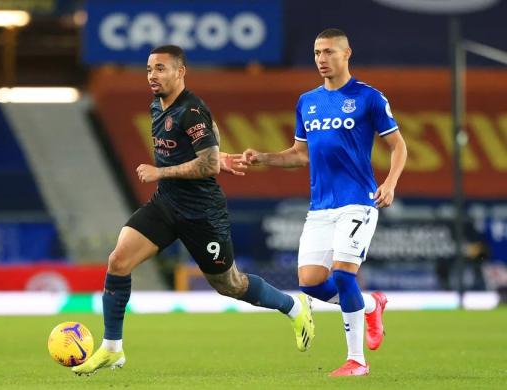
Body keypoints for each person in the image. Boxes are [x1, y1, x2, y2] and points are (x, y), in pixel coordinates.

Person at [72, 45, 315, 376]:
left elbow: (207, 166)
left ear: (180, 72)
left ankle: (291, 306)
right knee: (118, 261)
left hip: (202, 213)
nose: (152, 76)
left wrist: (168, 170)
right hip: (166, 204)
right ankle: (112, 348)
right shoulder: (158, 106)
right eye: (148, 70)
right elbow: (210, 146)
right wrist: (220, 155)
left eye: (159, 69)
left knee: (230, 284)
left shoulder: (191, 110)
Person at [236, 29, 408, 376]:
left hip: (357, 202)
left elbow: (399, 146)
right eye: (316, 53)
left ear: (347, 54)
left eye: (328, 52)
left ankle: (357, 360)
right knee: (311, 283)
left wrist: (389, 183)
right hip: (320, 208)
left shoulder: (369, 98)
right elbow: (300, 155)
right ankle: (372, 305)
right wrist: (263, 158)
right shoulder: (307, 102)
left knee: (345, 276)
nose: (321, 59)